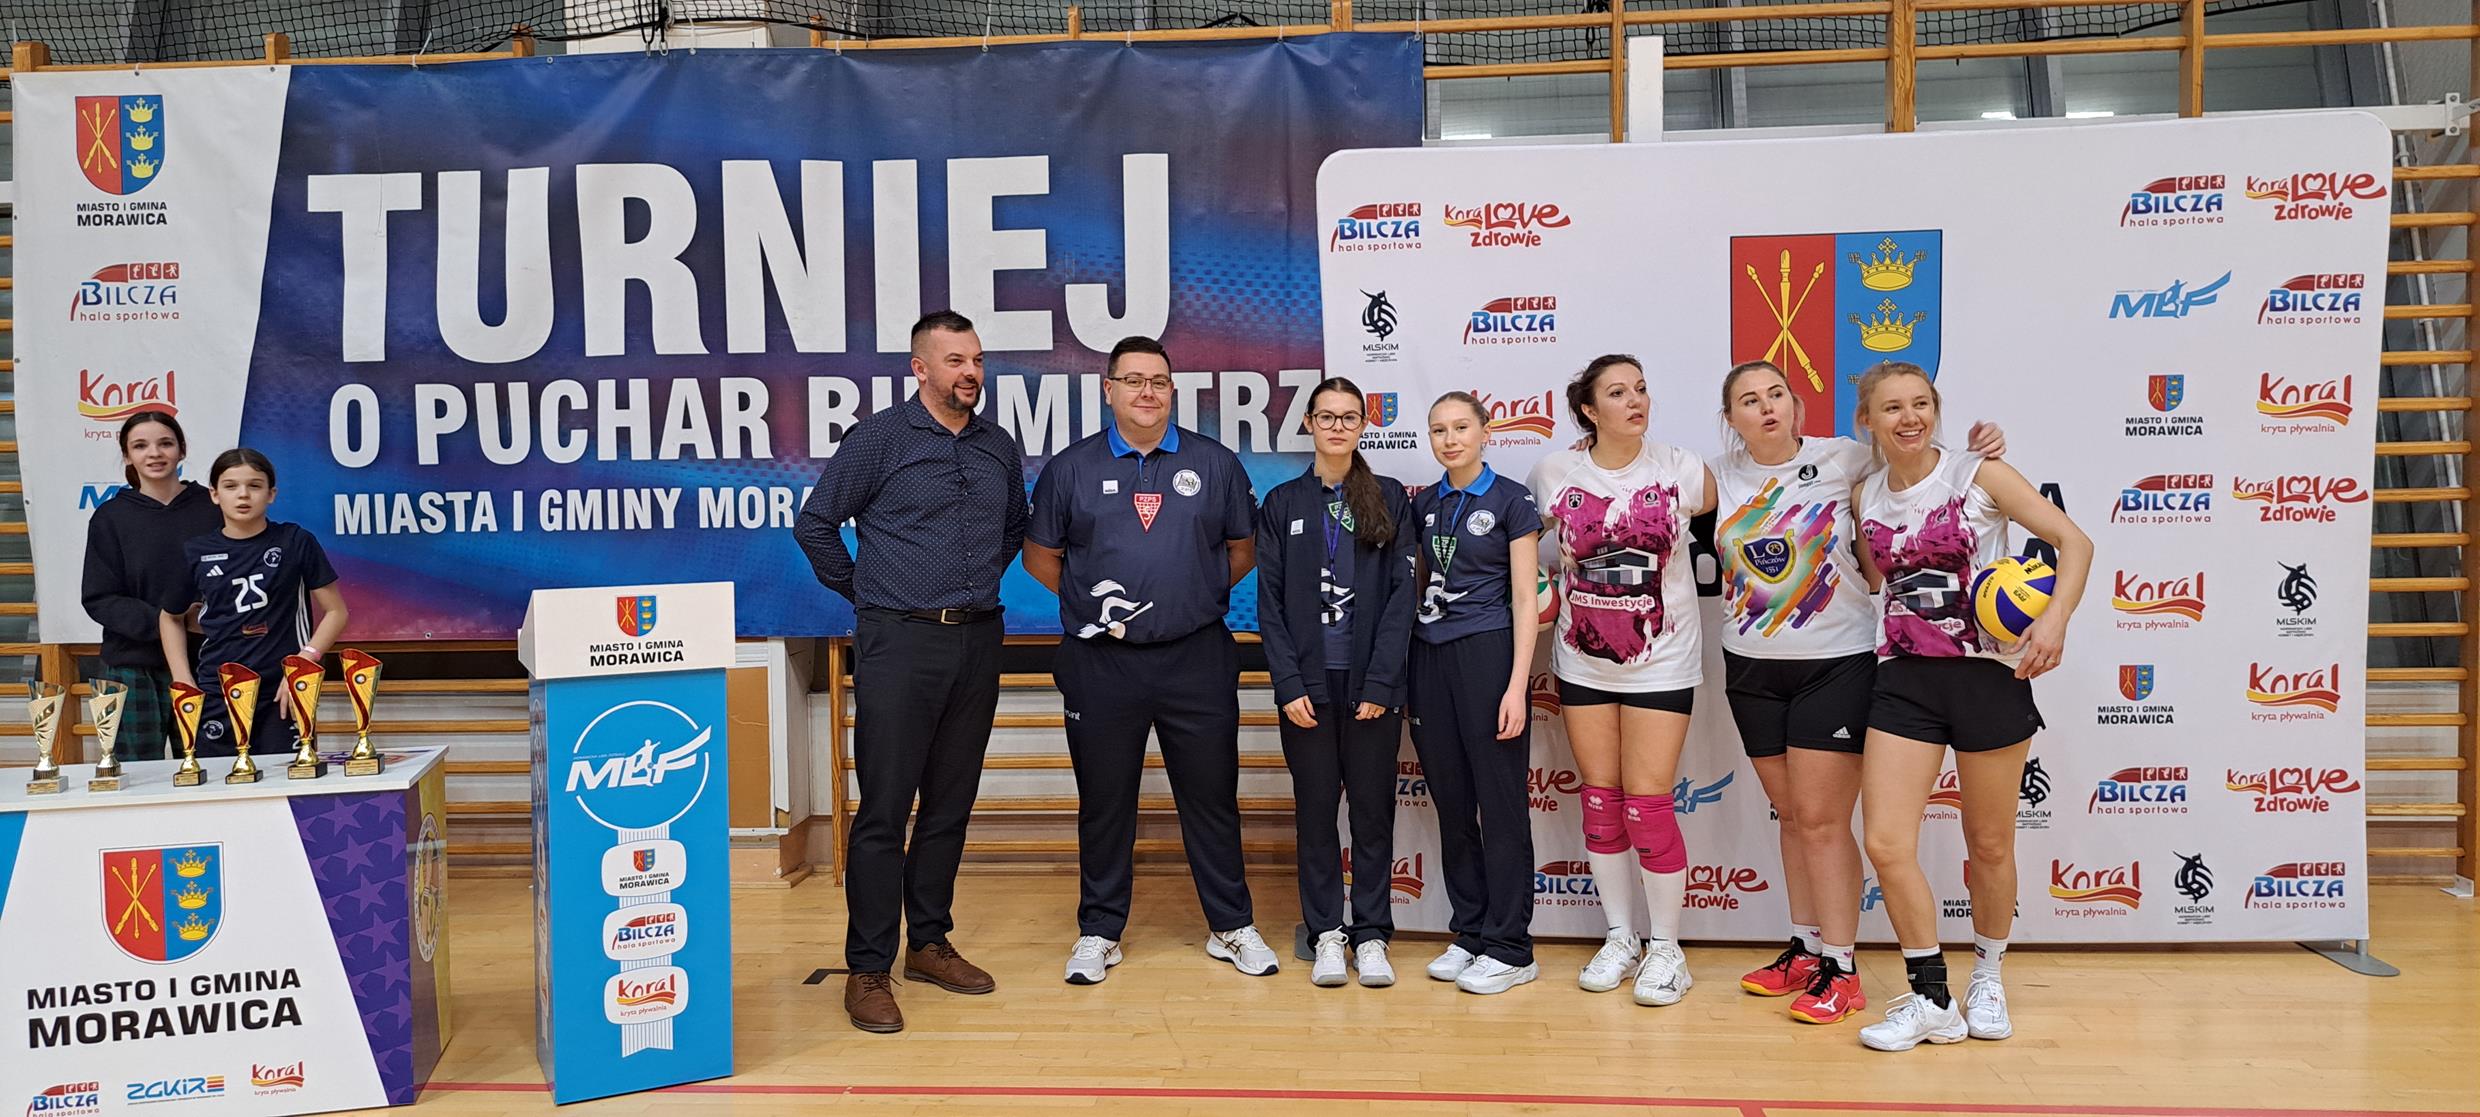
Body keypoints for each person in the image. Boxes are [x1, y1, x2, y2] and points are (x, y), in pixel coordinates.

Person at [1711, 361, 2003, 1026]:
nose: (1767, 407)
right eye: (1750, 400)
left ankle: (1841, 970)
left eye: (1777, 394)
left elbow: (1919, 460)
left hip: (1836, 662)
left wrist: (1980, 451)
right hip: (1750, 666)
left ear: (1797, 403)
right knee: (1794, 818)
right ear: (1730, 419)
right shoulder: (1716, 476)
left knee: (1820, 822)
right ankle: (1806, 947)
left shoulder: (1845, 459)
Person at [793, 309, 1029, 1034]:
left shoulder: (997, 446)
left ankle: (928, 943)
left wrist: (972, 583)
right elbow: (816, 522)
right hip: (898, 640)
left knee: (950, 803)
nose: (971, 373)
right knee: (885, 809)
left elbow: (1014, 528)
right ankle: (868, 967)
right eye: (956, 361)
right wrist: (868, 592)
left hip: (977, 639)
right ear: (920, 369)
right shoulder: (880, 439)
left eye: (977, 360)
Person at [1844, 361, 2090, 1053]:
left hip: (1986, 678)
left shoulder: (1979, 473)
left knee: (1989, 844)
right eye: (1893, 407)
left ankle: (1987, 975)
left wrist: (2054, 620)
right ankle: (1931, 998)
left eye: (1921, 403)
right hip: (1903, 680)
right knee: (1886, 842)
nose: (1910, 417)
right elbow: (1880, 581)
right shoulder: (1864, 495)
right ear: (1868, 420)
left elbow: (2075, 542)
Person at [1023, 335, 1277, 984]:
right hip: (1101, 662)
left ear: (1172, 391)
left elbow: (1243, 548)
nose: (1147, 392)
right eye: (1133, 380)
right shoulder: (1070, 468)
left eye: (1158, 381)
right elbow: (1040, 557)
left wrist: (1191, 593)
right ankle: (1099, 930)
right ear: (1108, 389)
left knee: (1212, 797)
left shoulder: (1214, 463)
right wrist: (1093, 604)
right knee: (1105, 802)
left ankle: (1231, 925)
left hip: (1197, 657)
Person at [1527, 354, 1714, 1007]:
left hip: (1662, 661)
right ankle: (1620, 937)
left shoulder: (1683, 469)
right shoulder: (1555, 472)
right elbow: (1523, 552)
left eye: (1640, 388)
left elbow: (1757, 498)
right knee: (1601, 800)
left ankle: (1667, 948)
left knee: (1648, 802)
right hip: (1582, 659)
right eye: (1617, 392)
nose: (1635, 400)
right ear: (1589, 409)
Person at [1254, 377, 1417, 988]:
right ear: (1309, 424)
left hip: (1371, 686)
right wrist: (1288, 683)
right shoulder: (1282, 503)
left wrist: (1381, 683)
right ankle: (1326, 933)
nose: (1338, 427)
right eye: (1327, 417)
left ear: (1363, 426)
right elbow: (1269, 604)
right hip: (1309, 689)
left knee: (1372, 814)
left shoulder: (1389, 497)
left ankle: (1371, 935)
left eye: (1349, 417)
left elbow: (1402, 596)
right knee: (1316, 813)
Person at [1407, 391, 1543, 995]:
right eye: (1439, 430)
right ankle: (1471, 932)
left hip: (1488, 656)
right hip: (1429, 657)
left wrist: (1516, 685)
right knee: (1453, 803)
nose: (1450, 439)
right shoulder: (1424, 504)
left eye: (1461, 427)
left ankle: (1512, 947)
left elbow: (1525, 600)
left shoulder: (1511, 500)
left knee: (1501, 804)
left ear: (1485, 432)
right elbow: (1418, 585)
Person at [158, 449, 349, 760]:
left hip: (282, 689)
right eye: (231, 486)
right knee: (220, 782)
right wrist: (183, 680)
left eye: (255, 485)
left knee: (288, 779)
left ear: (271, 494)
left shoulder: (294, 541)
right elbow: (170, 617)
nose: (243, 494)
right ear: (214, 494)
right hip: (219, 689)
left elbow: (336, 612)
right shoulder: (196, 552)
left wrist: (304, 662)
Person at [82, 410, 222, 759]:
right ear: (127, 455)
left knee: (213, 770)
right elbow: (100, 597)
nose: (154, 453)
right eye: (141, 446)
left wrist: (205, 620)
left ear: (182, 449)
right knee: (135, 776)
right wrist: (168, 620)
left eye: (165, 443)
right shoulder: (110, 517)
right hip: (131, 665)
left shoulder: (214, 507)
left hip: (206, 662)